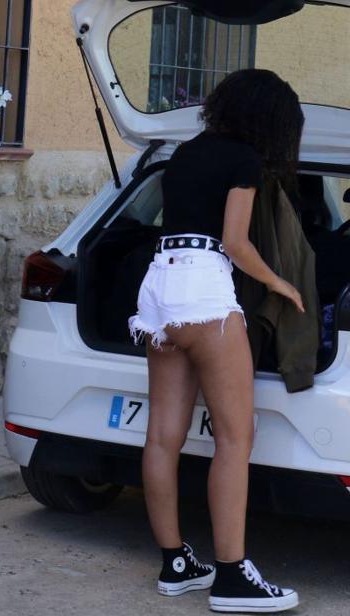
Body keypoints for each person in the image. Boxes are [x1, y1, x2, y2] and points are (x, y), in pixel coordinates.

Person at [129, 69, 303, 613]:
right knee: (235, 438)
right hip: (203, 287)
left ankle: (176, 563)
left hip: (159, 284)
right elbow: (233, 243)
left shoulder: (186, 153)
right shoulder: (245, 161)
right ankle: (231, 577)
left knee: (162, 436)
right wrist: (280, 282)